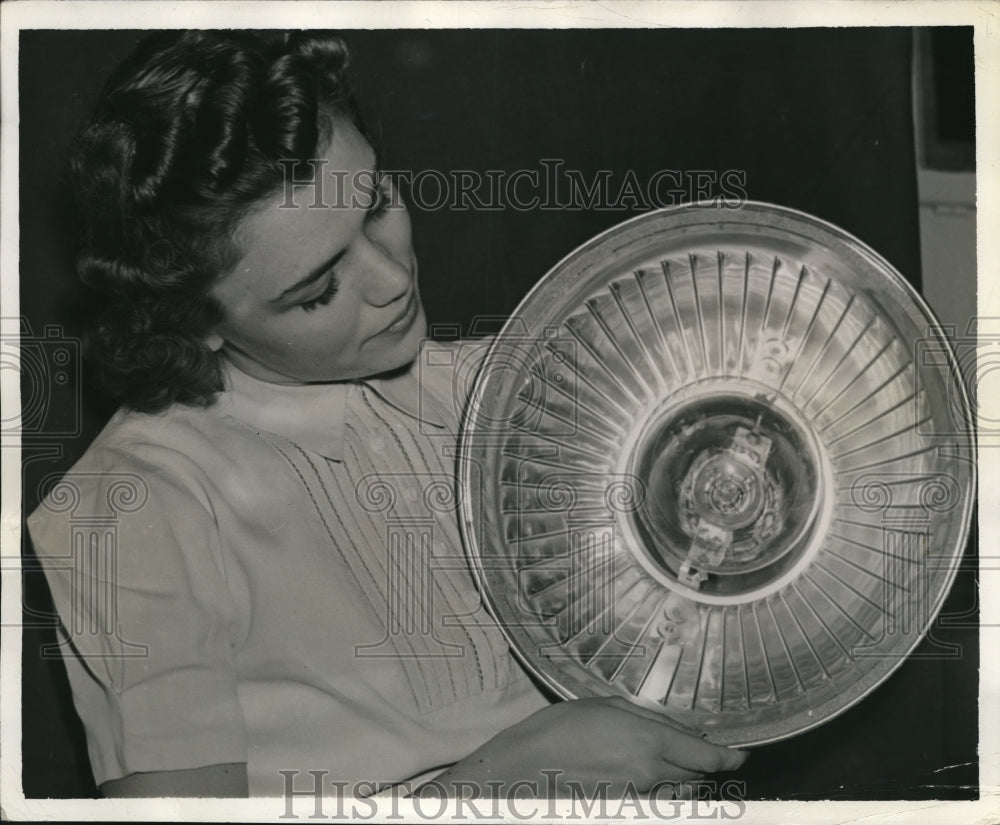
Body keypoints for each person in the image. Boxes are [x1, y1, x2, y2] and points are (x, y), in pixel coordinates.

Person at [27, 30, 747, 799]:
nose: (392, 278)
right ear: (191, 320)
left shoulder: (502, 387)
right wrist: (512, 781)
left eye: (376, 206)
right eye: (316, 291)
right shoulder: (133, 509)